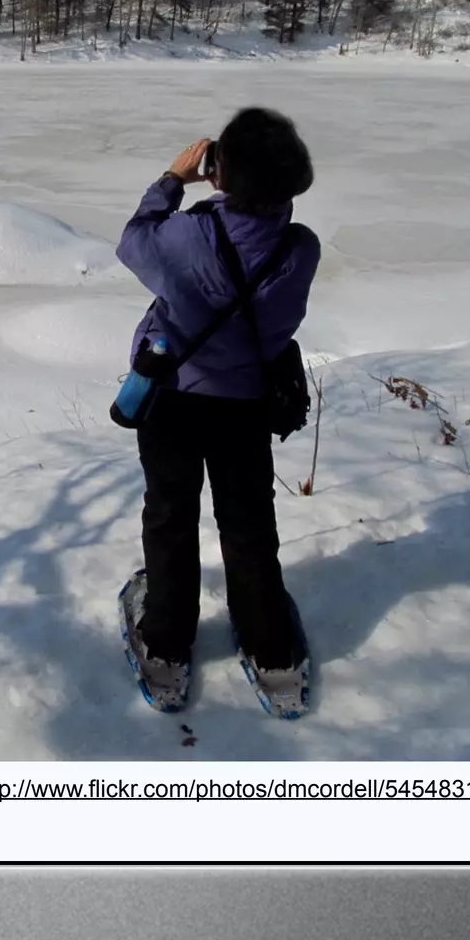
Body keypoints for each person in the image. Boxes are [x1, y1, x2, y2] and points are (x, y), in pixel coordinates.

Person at [115, 106, 321, 710]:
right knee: (249, 521)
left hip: (174, 398)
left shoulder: (192, 234)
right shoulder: (299, 248)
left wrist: (174, 179)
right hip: (245, 404)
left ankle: (167, 644)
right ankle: (270, 647)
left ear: (221, 172)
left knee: (171, 516)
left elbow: (135, 242)